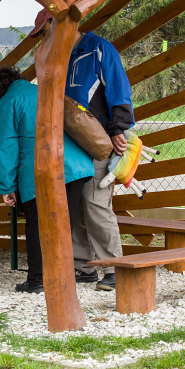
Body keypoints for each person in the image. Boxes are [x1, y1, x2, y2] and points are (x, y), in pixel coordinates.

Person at [0, 66, 94, 294]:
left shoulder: (7, 102)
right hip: (75, 165)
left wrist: (6, 186)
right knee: (63, 225)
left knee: (36, 225)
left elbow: (6, 149)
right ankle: (62, 279)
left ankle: (37, 280)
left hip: (41, 169)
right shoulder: (45, 91)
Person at [65, 21, 135, 293]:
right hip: (69, 143)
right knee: (75, 204)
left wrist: (118, 129)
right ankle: (83, 267)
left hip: (97, 141)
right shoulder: (59, 55)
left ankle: (114, 268)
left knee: (96, 202)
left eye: (46, 31)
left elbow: (118, 88)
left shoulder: (99, 48)